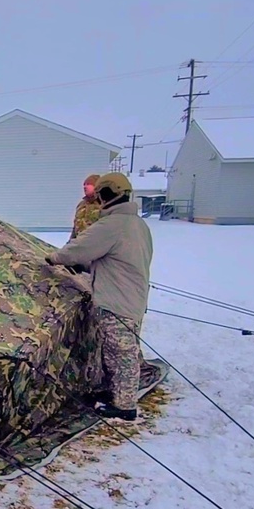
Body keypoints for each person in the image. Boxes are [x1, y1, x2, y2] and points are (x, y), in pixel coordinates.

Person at [45, 172, 153, 422]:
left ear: (106, 194)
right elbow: (118, 260)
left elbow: (79, 248)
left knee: (121, 351)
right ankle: (118, 394)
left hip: (118, 299)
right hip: (132, 295)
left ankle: (125, 406)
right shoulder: (138, 224)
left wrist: (54, 258)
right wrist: (86, 268)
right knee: (121, 350)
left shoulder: (113, 224)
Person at [70, 174, 102, 239]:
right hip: (79, 243)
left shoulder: (103, 205)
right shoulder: (81, 204)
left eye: (88, 184)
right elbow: (75, 227)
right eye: (84, 185)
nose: (85, 187)